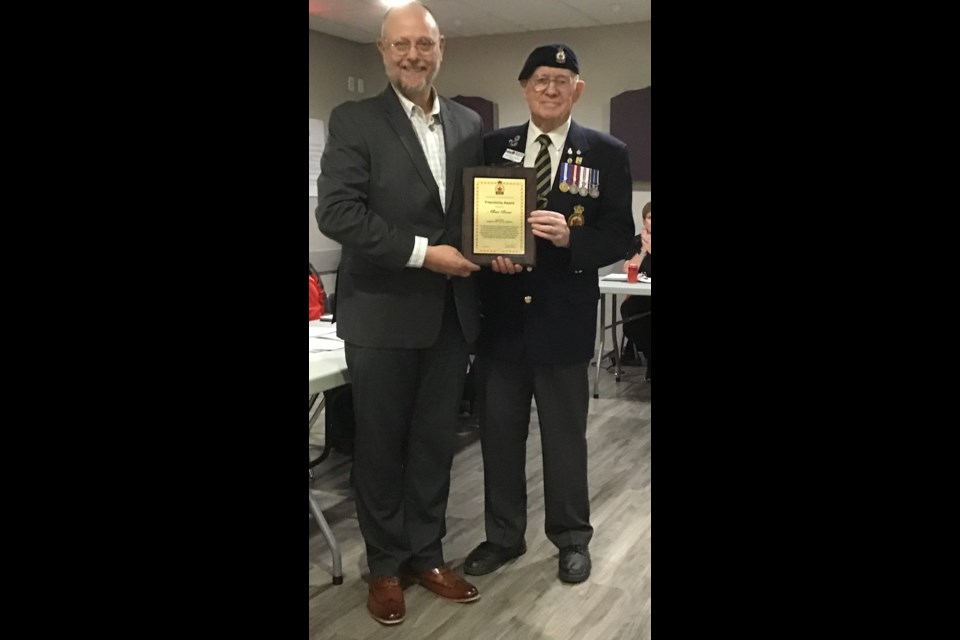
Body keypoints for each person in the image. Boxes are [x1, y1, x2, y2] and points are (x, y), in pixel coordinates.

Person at [315, 1, 483, 626]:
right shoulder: (354, 119)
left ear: (442, 49)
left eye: (425, 44)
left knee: (435, 445)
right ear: (382, 51)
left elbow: (475, 212)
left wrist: (500, 246)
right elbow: (336, 214)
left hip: (451, 317)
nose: (414, 55)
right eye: (401, 44)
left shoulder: (468, 123)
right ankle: (385, 566)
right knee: (382, 448)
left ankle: (425, 554)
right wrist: (424, 255)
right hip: (382, 316)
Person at [464, 44, 635, 584]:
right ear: (524, 87)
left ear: (577, 89)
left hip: (563, 323)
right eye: (542, 79)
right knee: (499, 437)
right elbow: (473, 222)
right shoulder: (494, 145)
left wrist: (571, 238)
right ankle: (503, 536)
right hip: (502, 322)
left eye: (563, 79)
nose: (552, 88)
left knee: (565, 440)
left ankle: (571, 537)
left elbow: (619, 235)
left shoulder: (606, 152)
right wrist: (490, 257)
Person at [621, 201, 651, 378]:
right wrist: (643, 251)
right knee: (628, 311)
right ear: (643, 221)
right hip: (640, 298)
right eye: (649, 218)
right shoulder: (636, 241)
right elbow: (627, 270)